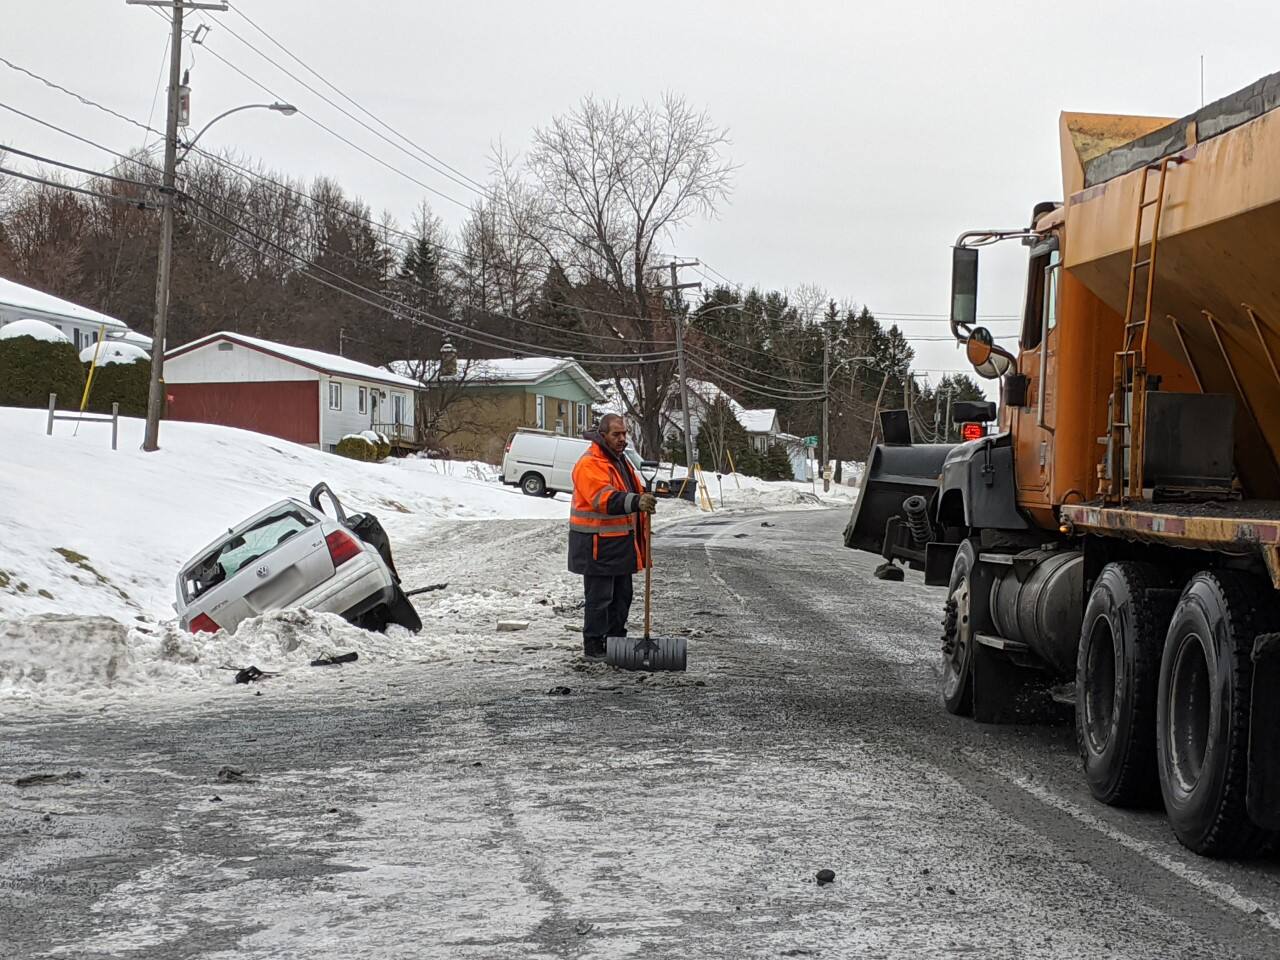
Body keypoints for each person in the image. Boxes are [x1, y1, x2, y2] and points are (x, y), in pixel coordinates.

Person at [568, 414, 657, 660]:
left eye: (624, 433)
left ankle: (616, 642)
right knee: (600, 599)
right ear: (603, 435)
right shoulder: (590, 464)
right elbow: (603, 498)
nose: (622, 439)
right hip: (596, 544)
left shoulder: (619, 461)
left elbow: (631, 492)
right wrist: (636, 501)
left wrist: (644, 499)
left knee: (622, 597)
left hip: (620, 543)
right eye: (616, 434)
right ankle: (594, 645)